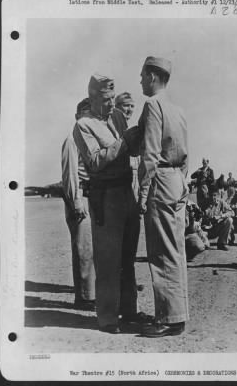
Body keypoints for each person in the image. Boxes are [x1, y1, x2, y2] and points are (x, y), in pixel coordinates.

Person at [73, 74, 147, 334]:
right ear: (92, 98)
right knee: (108, 259)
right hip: (105, 198)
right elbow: (94, 162)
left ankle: (129, 311)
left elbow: (133, 152)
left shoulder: (116, 116)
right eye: (105, 100)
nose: (110, 104)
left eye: (112, 99)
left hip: (127, 192)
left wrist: (140, 135)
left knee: (127, 257)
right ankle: (107, 318)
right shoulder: (83, 125)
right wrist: (124, 142)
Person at [137, 56, 189, 337]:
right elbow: (186, 155)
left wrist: (143, 193)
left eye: (143, 75)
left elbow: (150, 155)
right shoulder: (177, 109)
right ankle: (176, 314)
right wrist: (181, 182)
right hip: (178, 180)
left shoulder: (153, 105)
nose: (141, 80)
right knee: (176, 250)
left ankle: (170, 319)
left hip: (160, 180)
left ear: (154, 77)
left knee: (161, 252)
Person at [61, 98, 95, 310]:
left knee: (92, 249)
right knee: (83, 249)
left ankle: (91, 293)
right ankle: (84, 297)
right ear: (77, 117)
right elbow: (70, 174)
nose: (87, 118)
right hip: (80, 196)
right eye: (84, 113)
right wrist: (76, 200)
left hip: (94, 196)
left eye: (90, 114)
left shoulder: (90, 140)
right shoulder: (72, 140)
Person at [115, 92, 139, 199]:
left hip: (134, 181)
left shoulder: (131, 131)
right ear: (116, 107)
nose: (129, 110)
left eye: (132, 106)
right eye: (125, 105)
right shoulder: (111, 130)